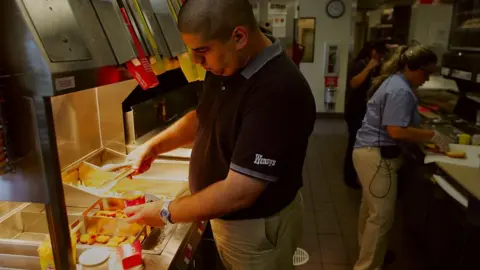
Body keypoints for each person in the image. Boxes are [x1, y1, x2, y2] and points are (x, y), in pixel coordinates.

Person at [124, 0, 316, 269]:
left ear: (239, 36)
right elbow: (204, 117)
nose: (196, 61)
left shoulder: (277, 90)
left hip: (255, 231)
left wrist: (166, 212)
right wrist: (156, 146)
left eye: (202, 51)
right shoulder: (229, 64)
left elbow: (240, 191)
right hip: (232, 223)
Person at [352, 45, 451, 270]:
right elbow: (396, 130)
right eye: (425, 73)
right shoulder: (400, 90)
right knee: (381, 218)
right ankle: (367, 265)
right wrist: (431, 135)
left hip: (367, 152)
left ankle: (367, 255)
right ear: (410, 67)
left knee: (370, 212)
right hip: (376, 156)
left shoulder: (396, 81)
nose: (426, 79)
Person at [343, 40, 388, 189]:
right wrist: (368, 68)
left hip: (361, 110)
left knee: (356, 142)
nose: (381, 57)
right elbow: (354, 83)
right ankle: (350, 177)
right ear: (373, 52)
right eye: (380, 53)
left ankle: (355, 176)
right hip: (355, 110)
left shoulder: (373, 66)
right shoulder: (361, 64)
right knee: (354, 142)